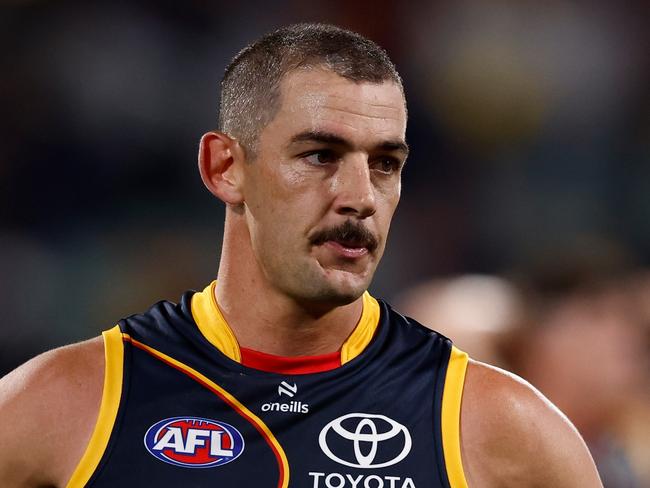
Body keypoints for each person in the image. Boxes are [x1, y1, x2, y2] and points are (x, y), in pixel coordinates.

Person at [0, 23, 602, 488]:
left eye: (385, 165)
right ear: (225, 167)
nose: (360, 197)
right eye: (320, 155)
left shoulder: (500, 428)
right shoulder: (67, 405)